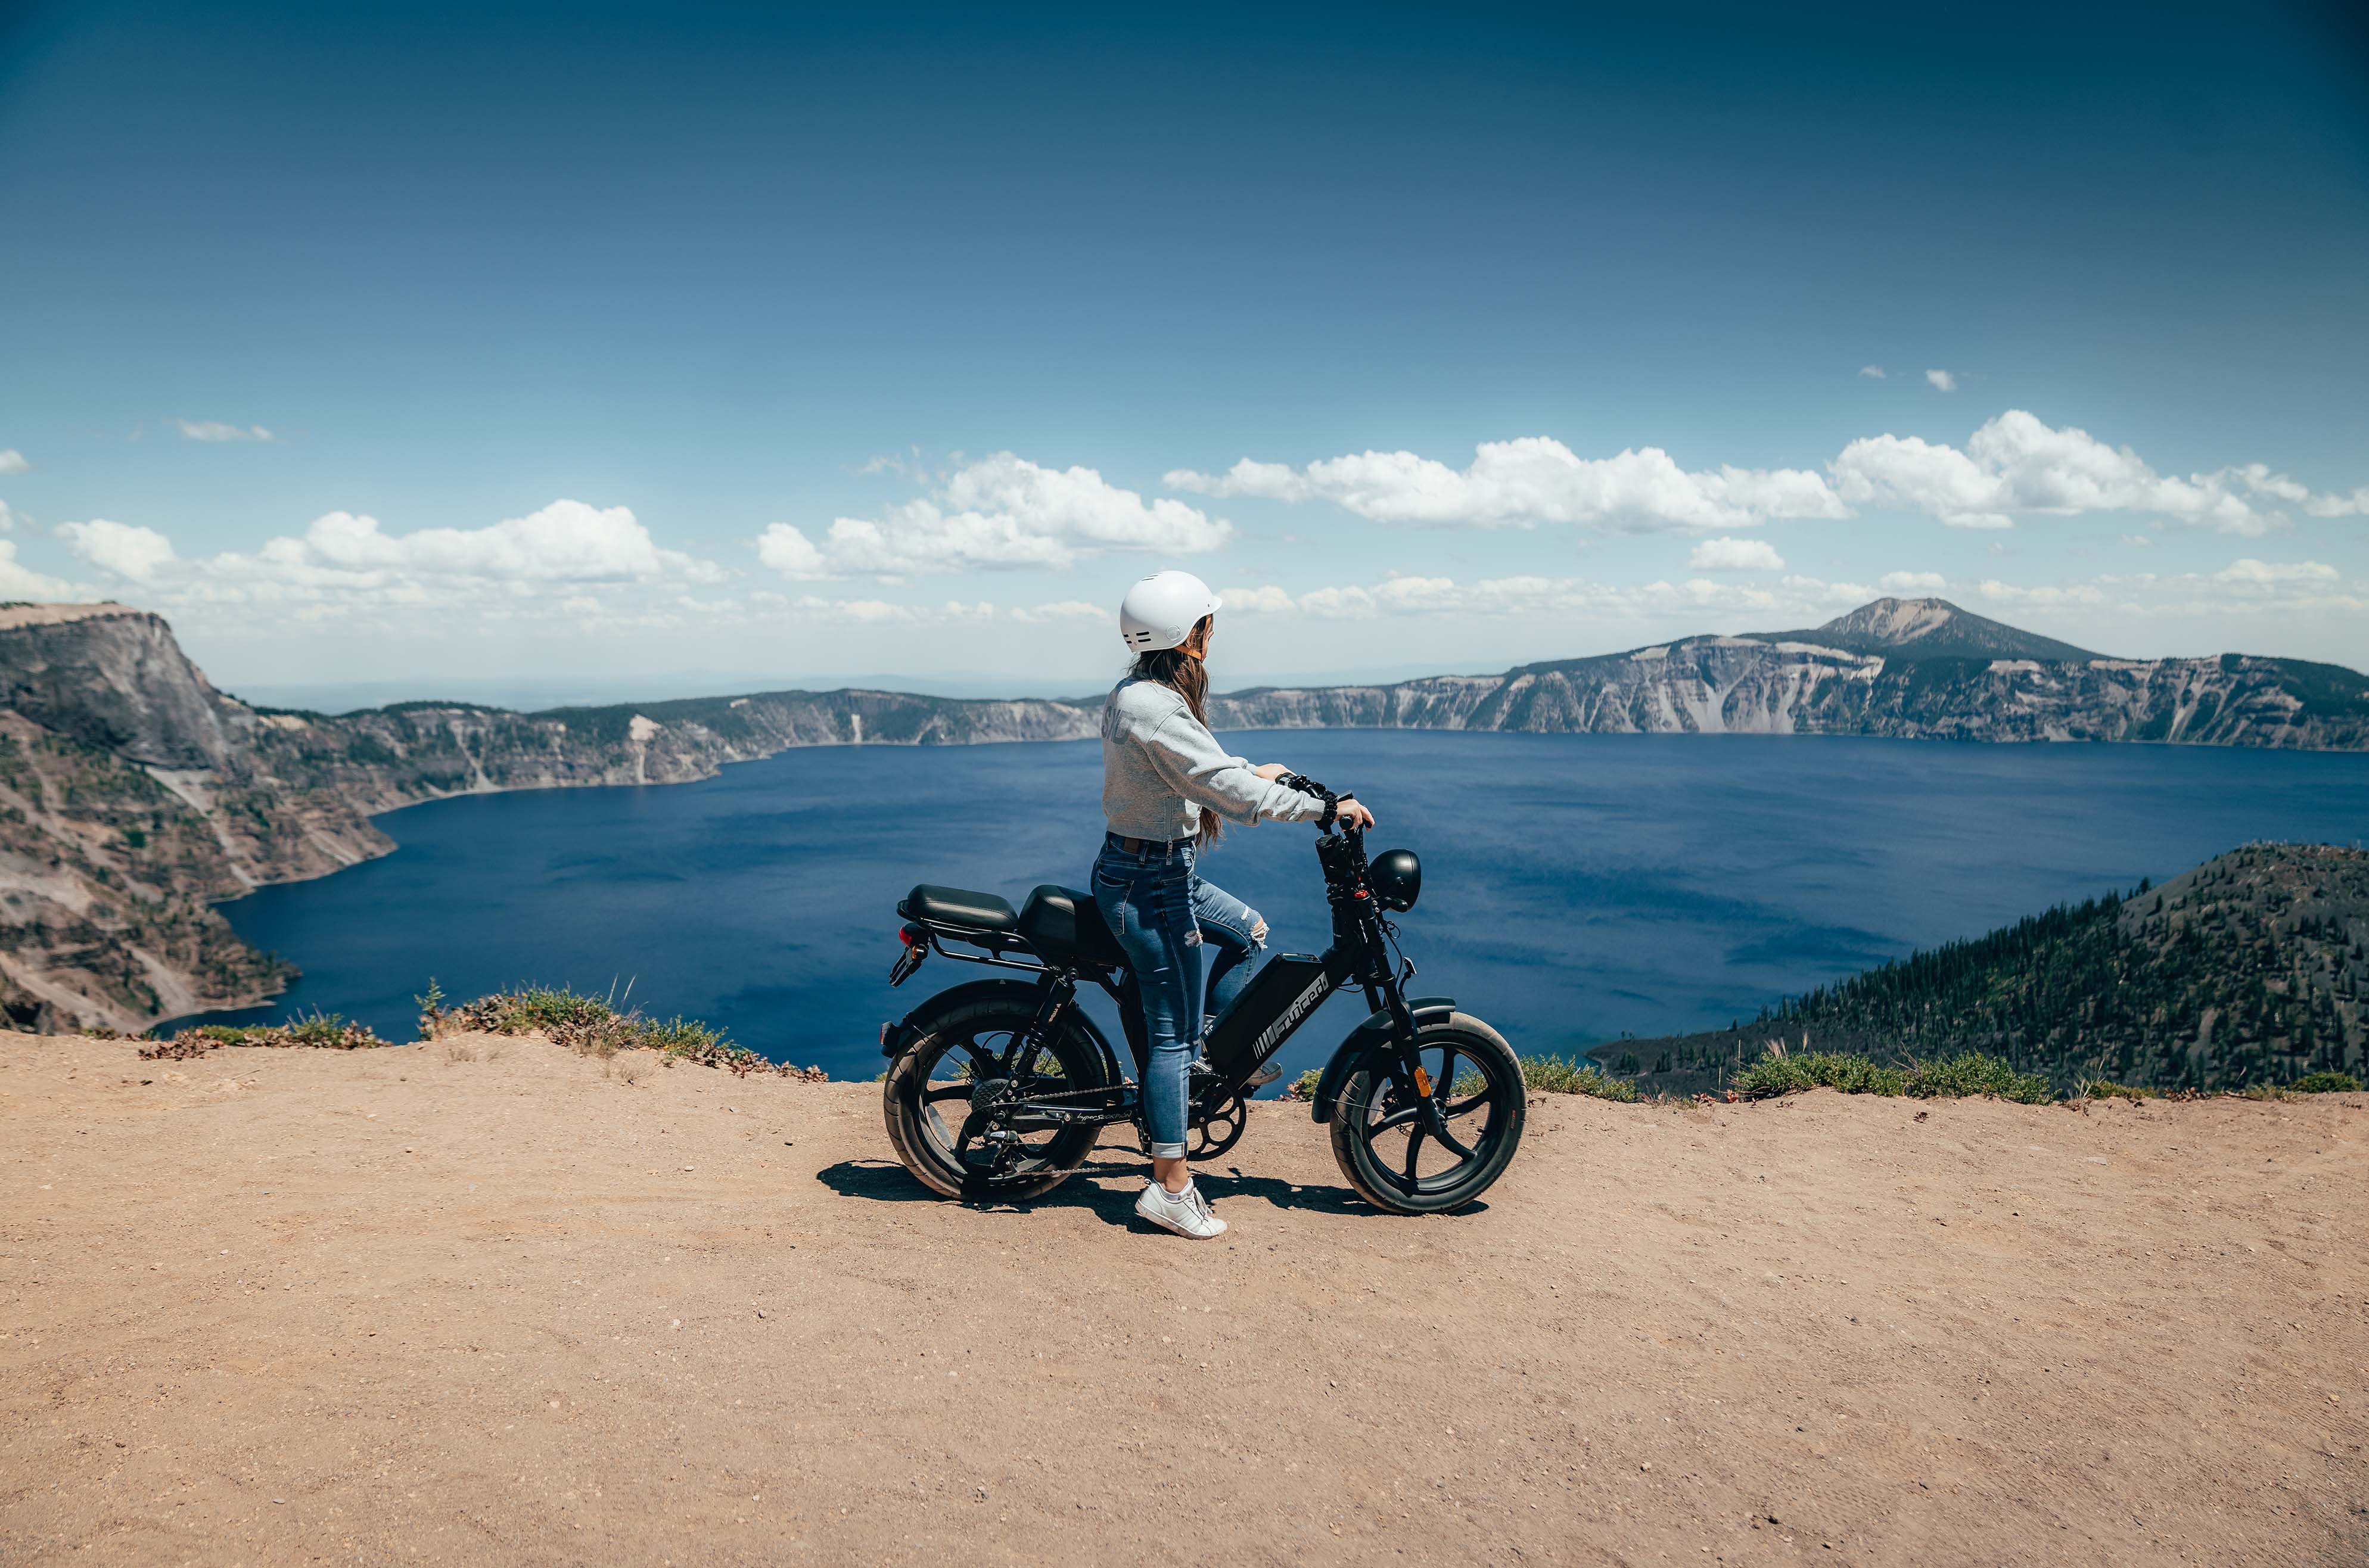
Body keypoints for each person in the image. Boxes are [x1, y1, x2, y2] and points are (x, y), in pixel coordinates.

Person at [1094, 570, 1376, 1239]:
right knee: (1170, 1037)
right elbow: (1230, 796)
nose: (1211, 634)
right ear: (1190, 636)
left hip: (1155, 869)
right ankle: (1170, 1185)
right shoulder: (1157, 707)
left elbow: (1193, 769)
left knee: (1248, 932)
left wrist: (1252, 767)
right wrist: (1321, 807)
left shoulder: (1138, 693)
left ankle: (1202, 1068)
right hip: (1151, 881)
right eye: (1207, 625)